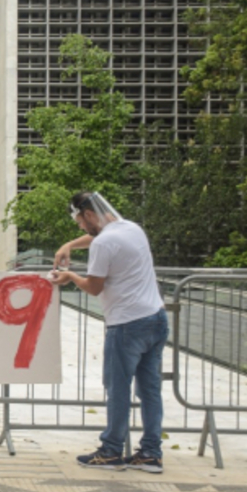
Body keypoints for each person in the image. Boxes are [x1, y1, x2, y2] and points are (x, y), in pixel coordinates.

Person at [48, 191, 168, 473]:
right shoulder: (131, 229)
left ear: (89, 215)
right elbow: (99, 237)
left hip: (126, 324)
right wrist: (70, 245)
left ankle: (111, 450)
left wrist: (69, 276)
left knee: (117, 388)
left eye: (79, 221)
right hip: (156, 318)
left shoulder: (103, 244)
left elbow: (93, 287)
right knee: (150, 390)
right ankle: (151, 453)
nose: (80, 228)